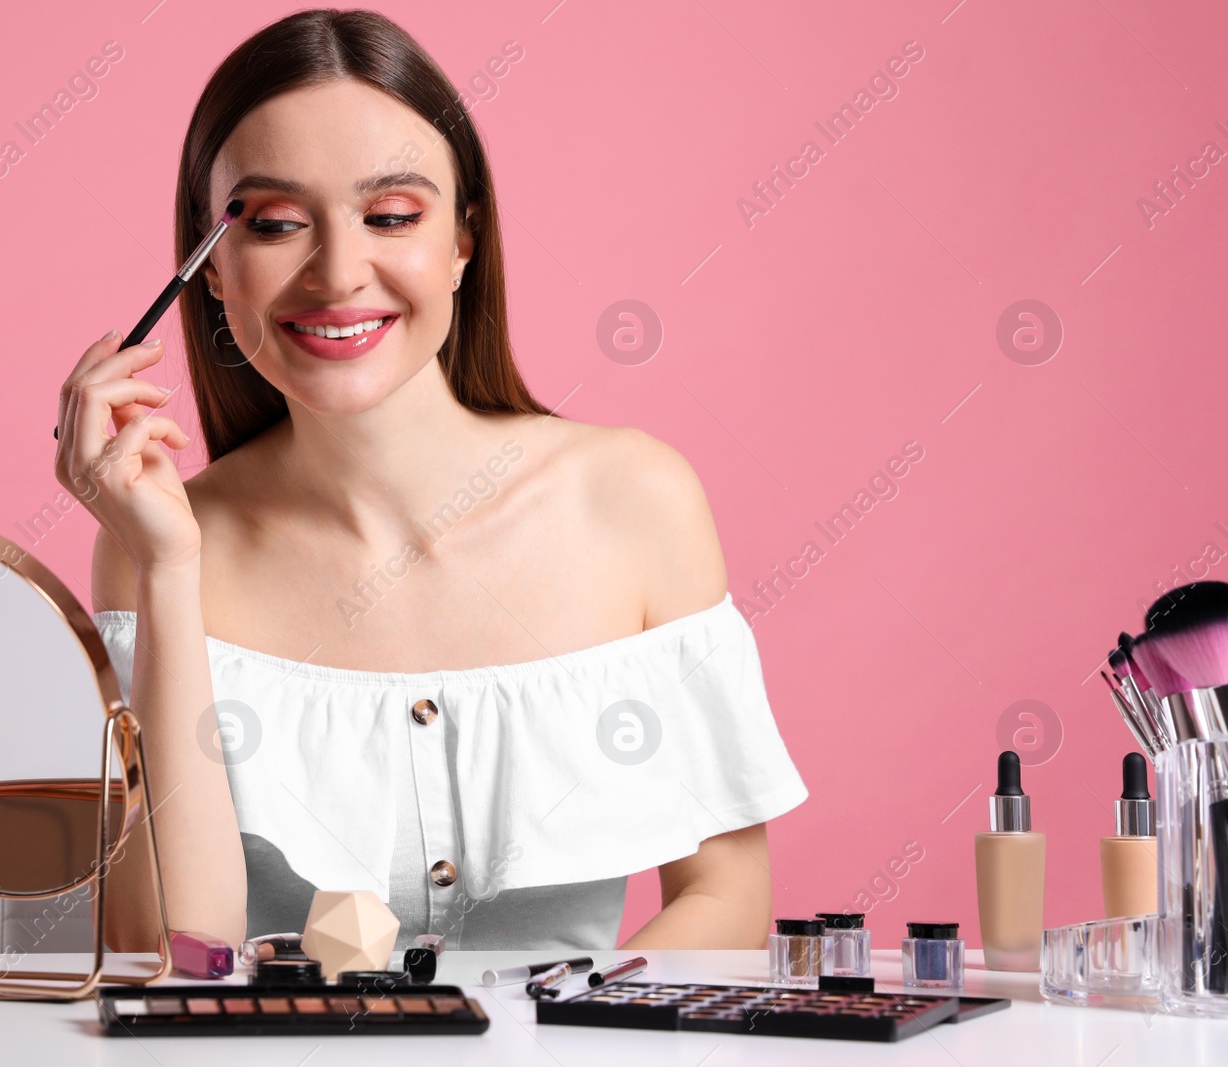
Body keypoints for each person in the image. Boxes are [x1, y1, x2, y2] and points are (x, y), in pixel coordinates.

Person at [54, 8, 807, 954]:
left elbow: (728, 900)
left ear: (462, 241)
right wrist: (165, 569)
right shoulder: (156, 547)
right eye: (278, 223)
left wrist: (541, 1036)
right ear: (210, 269)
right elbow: (178, 952)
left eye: (393, 217)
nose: (337, 272)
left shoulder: (636, 503)